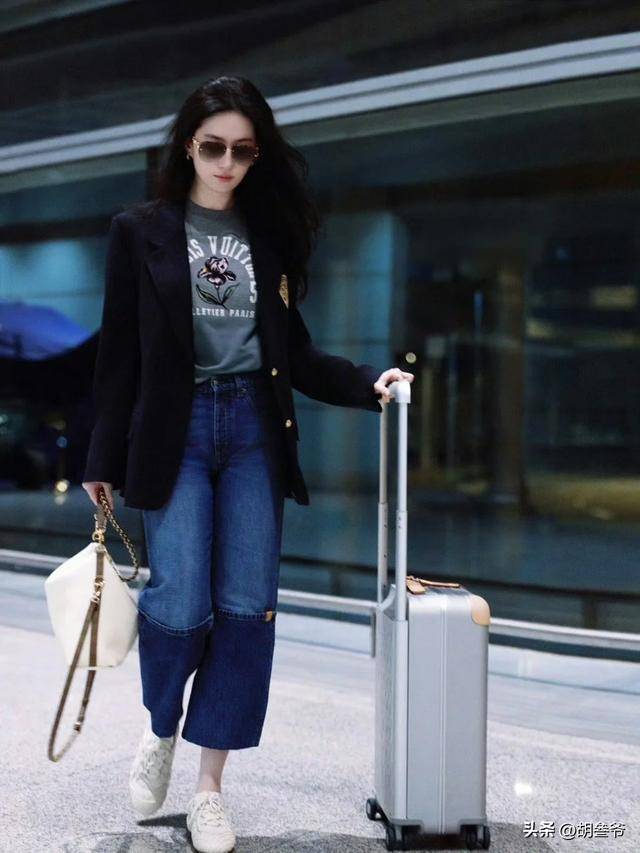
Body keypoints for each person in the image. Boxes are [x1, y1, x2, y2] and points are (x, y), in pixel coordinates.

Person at [82, 74, 413, 853]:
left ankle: (209, 787)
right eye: (213, 148)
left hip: (255, 430)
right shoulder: (140, 231)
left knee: (245, 606)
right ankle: (161, 724)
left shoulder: (269, 238)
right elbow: (118, 355)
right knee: (179, 599)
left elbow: (294, 354)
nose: (227, 164)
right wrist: (101, 455)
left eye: (242, 151)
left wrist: (368, 383)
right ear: (187, 147)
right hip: (177, 431)